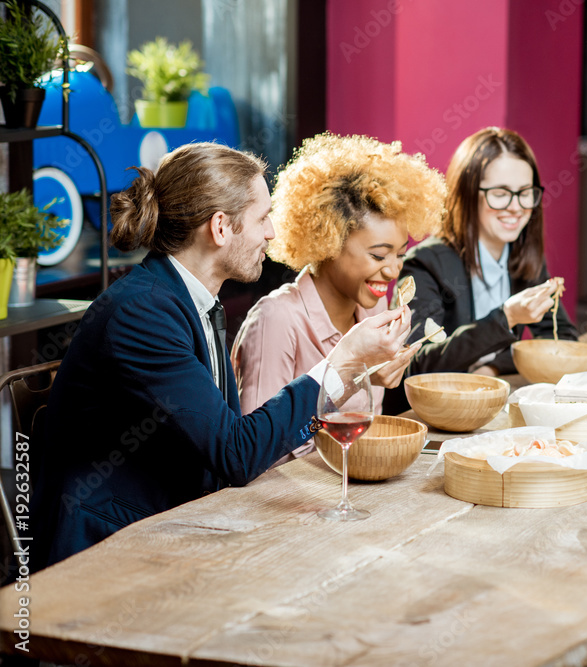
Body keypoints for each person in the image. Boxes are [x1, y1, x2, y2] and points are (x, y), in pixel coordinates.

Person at [33, 143, 410, 567]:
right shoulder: (141, 314)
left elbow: (225, 446)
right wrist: (345, 363)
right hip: (109, 551)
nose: (271, 233)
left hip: (181, 526)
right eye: (262, 219)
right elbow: (237, 454)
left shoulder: (196, 301)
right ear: (219, 228)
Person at [231, 133, 445, 464]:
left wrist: (371, 377)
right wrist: (347, 384)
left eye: (400, 255)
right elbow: (259, 456)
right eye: (378, 256)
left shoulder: (373, 309)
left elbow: (362, 439)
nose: (392, 272)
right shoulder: (277, 320)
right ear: (327, 242)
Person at [389, 127, 577, 402]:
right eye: (500, 193)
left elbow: (563, 343)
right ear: (467, 194)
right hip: (432, 418)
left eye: (525, 192)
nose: (516, 207)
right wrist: (506, 318)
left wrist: (494, 365)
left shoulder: (523, 256)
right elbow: (416, 364)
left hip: (489, 409)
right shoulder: (424, 265)